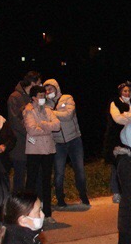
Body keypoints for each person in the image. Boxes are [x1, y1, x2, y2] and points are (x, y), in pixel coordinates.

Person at [45, 78, 89, 209]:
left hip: (74, 139)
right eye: (46, 90)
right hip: (58, 142)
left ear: (56, 87)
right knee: (59, 172)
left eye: (50, 88)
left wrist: (52, 113)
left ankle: (84, 197)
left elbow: (68, 115)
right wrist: (53, 113)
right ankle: (60, 200)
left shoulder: (67, 98)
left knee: (79, 170)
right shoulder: (45, 105)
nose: (48, 92)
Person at [23, 85, 60, 224]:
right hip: (34, 151)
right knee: (31, 182)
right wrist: (47, 128)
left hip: (48, 150)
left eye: (44, 95)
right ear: (33, 98)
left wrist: (43, 124)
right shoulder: (28, 111)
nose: (43, 98)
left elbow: (57, 125)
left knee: (46, 181)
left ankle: (48, 213)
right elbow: (31, 130)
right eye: (40, 96)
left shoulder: (48, 110)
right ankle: (28, 212)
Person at [104, 82, 131, 202]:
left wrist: (127, 115)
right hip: (116, 138)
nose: (127, 93)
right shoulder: (114, 102)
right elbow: (118, 119)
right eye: (125, 91)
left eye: (129, 91)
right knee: (116, 165)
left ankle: (128, 190)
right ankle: (116, 192)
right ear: (120, 92)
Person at [8, 71, 41, 193]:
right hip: (20, 144)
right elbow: (14, 121)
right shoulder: (14, 97)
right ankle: (18, 202)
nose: (40, 85)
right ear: (32, 83)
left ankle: (32, 200)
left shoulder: (32, 97)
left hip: (32, 144)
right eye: (39, 83)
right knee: (19, 175)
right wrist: (30, 132)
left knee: (33, 175)